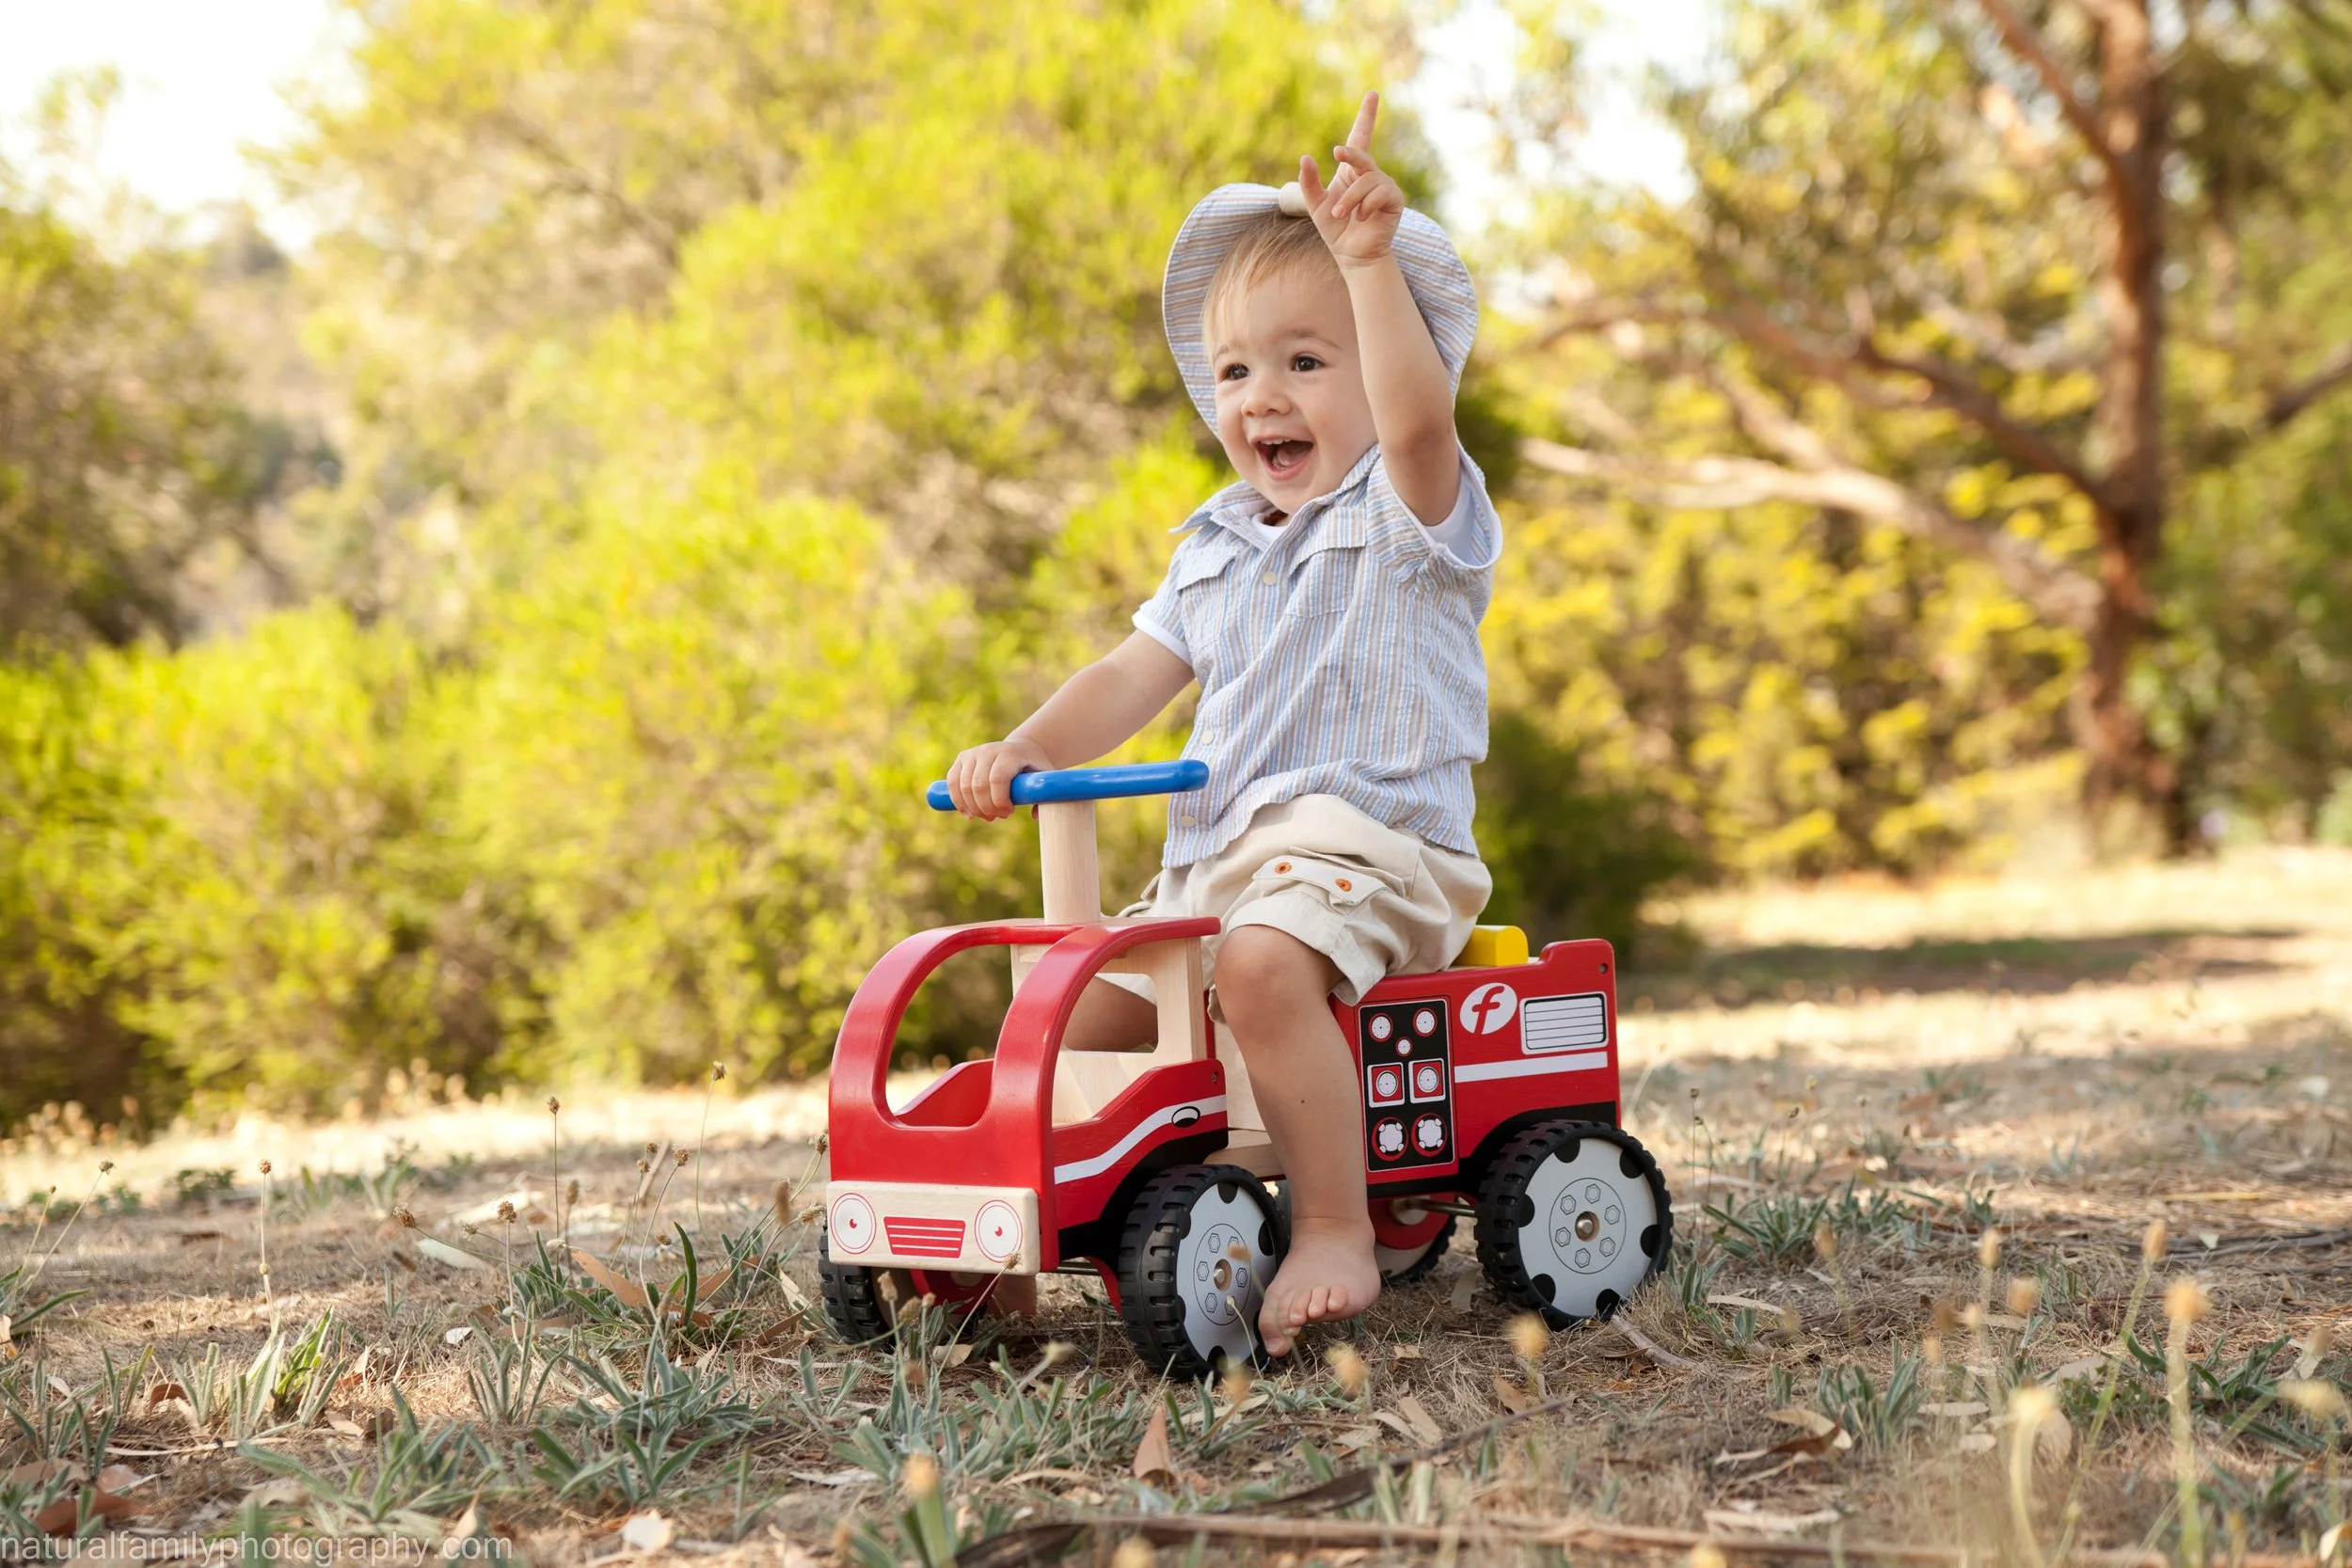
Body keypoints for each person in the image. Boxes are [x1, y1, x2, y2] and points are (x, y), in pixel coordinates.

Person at [943, 91, 1498, 1357]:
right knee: (1067, 1004)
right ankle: (1013, 1234)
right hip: (1222, 864)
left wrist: (1366, 260)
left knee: (1256, 962)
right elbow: (1128, 673)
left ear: (1380, 362)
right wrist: (1027, 747)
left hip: (1375, 850)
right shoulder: (1215, 545)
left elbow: (1416, 420)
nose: (1264, 397)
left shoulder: (1408, 511)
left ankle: (1339, 1225)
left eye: (1309, 360)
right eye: (1237, 370)